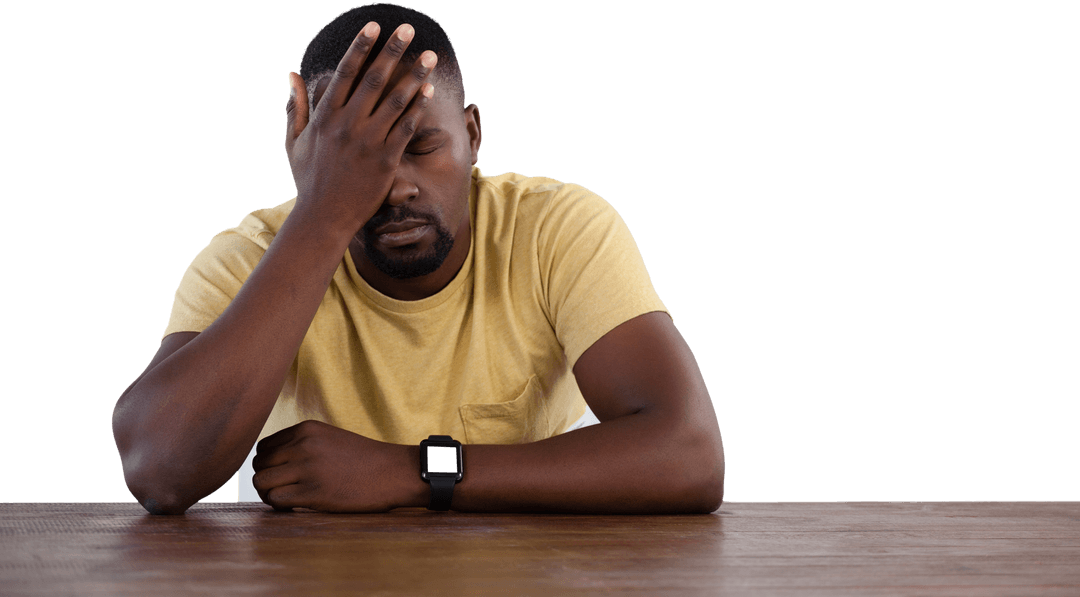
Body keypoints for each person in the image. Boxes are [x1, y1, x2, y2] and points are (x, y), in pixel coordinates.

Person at [111, 2, 725, 515]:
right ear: (304, 151)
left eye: (422, 146)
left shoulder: (555, 229)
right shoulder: (248, 255)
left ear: (473, 133)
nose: (395, 185)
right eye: (356, 159)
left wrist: (415, 471)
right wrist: (325, 211)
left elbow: (690, 454)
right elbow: (158, 470)